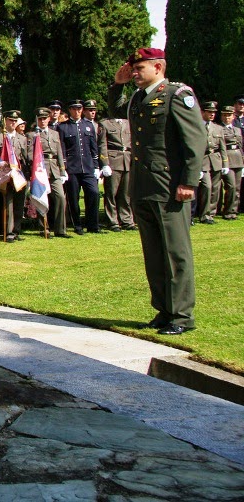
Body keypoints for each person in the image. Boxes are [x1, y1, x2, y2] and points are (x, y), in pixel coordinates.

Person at [110, 47, 206, 335]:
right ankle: (164, 310)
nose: (135, 73)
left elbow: (195, 140)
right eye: (133, 69)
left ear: (158, 67)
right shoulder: (139, 97)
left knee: (175, 252)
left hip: (169, 186)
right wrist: (117, 84)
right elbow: (116, 111)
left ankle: (181, 315)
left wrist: (188, 181)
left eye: (140, 68)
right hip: (144, 185)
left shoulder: (176, 95)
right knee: (153, 252)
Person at [58, 99, 101, 234]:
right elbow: (62, 149)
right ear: (70, 110)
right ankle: (77, 225)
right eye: (74, 109)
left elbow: (93, 147)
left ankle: (93, 225)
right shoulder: (63, 127)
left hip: (87, 167)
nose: (77, 112)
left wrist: (96, 166)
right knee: (73, 198)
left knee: (94, 193)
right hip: (72, 168)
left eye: (79, 109)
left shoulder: (88, 125)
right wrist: (63, 168)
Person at [31, 108, 69, 237]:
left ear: (49, 119)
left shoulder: (54, 134)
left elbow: (59, 152)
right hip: (41, 168)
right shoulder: (32, 135)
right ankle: (44, 228)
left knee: (60, 197)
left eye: (45, 118)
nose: (42, 121)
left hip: (54, 169)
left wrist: (62, 170)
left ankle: (60, 229)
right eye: (40, 119)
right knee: (42, 197)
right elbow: (31, 154)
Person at [0, 110, 29, 242]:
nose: (13, 123)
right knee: (8, 203)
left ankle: (16, 230)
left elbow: (26, 158)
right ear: (5, 121)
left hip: (19, 174)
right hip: (6, 173)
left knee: (19, 203)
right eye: (10, 120)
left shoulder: (22, 138)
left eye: (15, 121)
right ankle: (8, 231)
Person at [97, 105, 135, 231]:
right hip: (113, 160)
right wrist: (104, 163)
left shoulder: (129, 123)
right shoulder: (105, 124)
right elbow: (102, 144)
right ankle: (112, 221)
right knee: (111, 193)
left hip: (127, 160)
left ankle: (126, 220)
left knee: (126, 193)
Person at [195, 101, 227, 225]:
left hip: (216, 160)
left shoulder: (218, 128)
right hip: (202, 160)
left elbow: (222, 147)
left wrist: (225, 163)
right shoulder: (197, 126)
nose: (212, 114)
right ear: (202, 112)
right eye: (209, 112)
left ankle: (210, 214)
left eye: (213, 112)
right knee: (206, 187)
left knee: (215, 188)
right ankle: (202, 213)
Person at [218, 105, 242, 220]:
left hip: (238, 159)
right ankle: (227, 211)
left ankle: (233, 211)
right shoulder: (219, 129)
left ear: (233, 116)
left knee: (237, 187)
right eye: (225, 115)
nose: (227, 117)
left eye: (229, 115)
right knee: (231, 186)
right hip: (227, 159)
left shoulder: (237, 129)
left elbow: (241, 146)